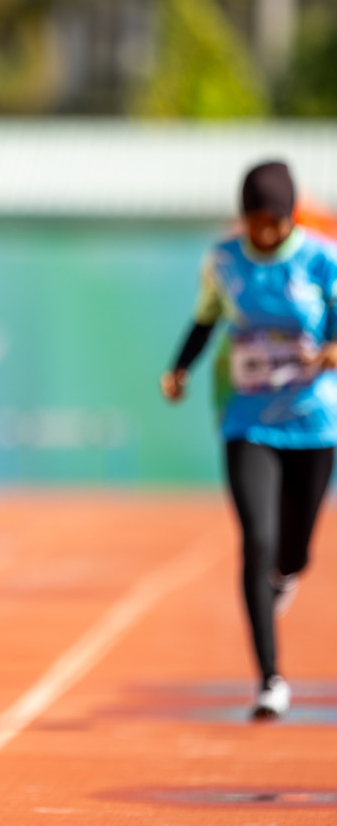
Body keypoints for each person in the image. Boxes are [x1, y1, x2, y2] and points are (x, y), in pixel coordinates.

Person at [163, 160, 337, 720]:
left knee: (294, 550)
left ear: (289, 218)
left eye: (273, 223)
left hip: (314, 420)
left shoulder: (321, 258)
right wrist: (180, 369)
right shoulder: (224, 261)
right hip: (248, 418)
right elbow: (205, 320)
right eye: (253, 222)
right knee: (256, 538)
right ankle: (270, 678)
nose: (262, 233)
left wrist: (331, 350)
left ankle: (286, 574)